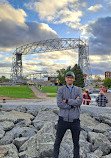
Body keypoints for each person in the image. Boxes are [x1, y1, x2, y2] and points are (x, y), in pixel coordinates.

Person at [53, 71, 83, 158]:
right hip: (63, 120)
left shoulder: (78, 90)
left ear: (73, 79)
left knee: (76, 143)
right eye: (68, 77)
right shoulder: (60, 90)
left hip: (75, 120)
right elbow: (59, 103)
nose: (69, 79)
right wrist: (72, 105)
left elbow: (80, 101)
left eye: (71, 77)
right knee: (57, 141)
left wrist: (66, 101)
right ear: (65, 79)